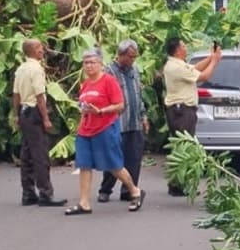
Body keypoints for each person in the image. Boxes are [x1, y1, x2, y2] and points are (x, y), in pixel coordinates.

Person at [65, 49, 144, 215]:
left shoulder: (109, 81)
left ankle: (135, 190)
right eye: (86, 63)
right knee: (84, 165)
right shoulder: (86, 84)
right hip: (85, 130)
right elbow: (84, 106)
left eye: (93, 62)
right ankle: (84, 203)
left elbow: (120, 105)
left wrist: (101, 111)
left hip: (105, 128)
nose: (89, 66)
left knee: (113, 165)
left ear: (101, 64)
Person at [162, 36, 222, 196]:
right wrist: (215, 61)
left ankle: (177, 183)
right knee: (185, 148)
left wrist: (210, 58)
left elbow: (195, 68)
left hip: (180, 110)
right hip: (181, 111)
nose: (186, 47)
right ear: (177, 50)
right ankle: (179, 184)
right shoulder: (175, 67)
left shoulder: (178, 65)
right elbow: (203, 76)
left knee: (181, 147)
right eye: (183, 45)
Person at [11, 39, 65, 207]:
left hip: (24, 112)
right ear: (33, 50)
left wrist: (17, 115)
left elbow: (16, 95)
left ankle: (27, 193)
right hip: (34, 112)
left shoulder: (21, 69)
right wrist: (46, 118)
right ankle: (45, 193)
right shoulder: (36, 69)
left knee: (26, 154)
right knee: (40, 154)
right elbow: (40, 96)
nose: (43, 50)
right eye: (40, 47)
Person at [99, 39, 149, 203]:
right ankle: (105, 189)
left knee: (134, 158)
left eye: (134, 57)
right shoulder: (109, 72)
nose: (132, 60)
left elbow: (137, 94)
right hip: (116, 123)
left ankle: (129, 190)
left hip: (134, 121)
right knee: (114, 158)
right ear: (120, 55)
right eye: (130, 57)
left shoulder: (134, 70)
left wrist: (144, 116)